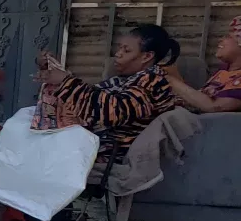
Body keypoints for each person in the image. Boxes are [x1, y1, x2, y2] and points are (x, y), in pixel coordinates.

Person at [35, 23, 180, 161]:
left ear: (146, 57)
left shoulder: (152, 83)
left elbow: (112, 112)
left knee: (29, 140)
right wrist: (55, 74)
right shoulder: (127, 79)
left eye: (126, 50)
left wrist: (66, 81)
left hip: (109, 152)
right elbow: (92, 95)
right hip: (92, 141)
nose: (118, 54)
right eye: (120, 48)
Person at [163, 16, 241, 114]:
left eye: (228, 37)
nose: (220, 40)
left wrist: (170, 80)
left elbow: (214, 107)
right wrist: (175, 77)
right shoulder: (224, 71)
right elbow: (200, 100)